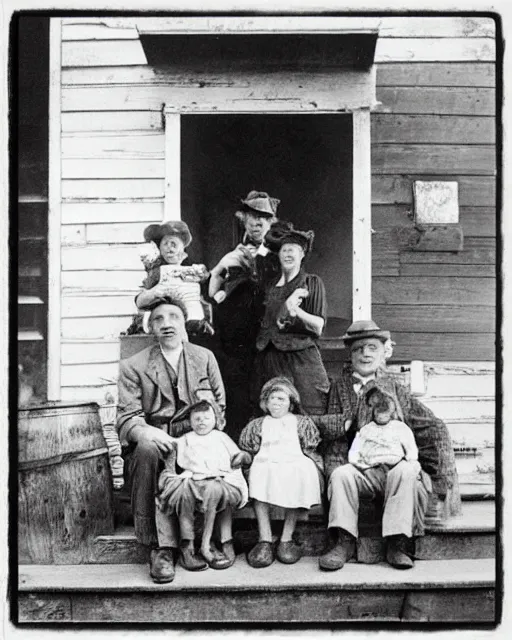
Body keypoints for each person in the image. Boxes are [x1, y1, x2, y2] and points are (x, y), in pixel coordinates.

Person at [314, 319, 461, 572]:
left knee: (406, 471)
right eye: (358, 349)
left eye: (372, 347)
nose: (365, 354)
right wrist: (346, 423)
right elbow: (326, 429)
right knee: (340, 476)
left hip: (393, 466)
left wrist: (439, 477)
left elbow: (430, 425)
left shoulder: (396, 388)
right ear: (351, 355)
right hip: (359, 465)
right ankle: (344, 541)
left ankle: (398, 543)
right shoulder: (339, 388)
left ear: (383, 352)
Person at [116, 294, 226, 584]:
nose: (167, 324)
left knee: (208, 453)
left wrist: (198, 434)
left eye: (174, 317)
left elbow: (220, 408)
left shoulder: (204, 358)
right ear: (150, 328)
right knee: (149, 449)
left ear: (184, 322)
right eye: (159, 319)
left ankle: (199, 543)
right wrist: (147, 431)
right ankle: (160, 548)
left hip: (196, 436)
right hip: (156, 442)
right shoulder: (133, 365)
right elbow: (126, 418)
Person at [207, 191, 284, 440]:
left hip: (266, 336)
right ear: (244, 219)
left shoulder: (280, 254)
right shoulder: (235, 253)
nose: (258, 222)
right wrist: (221, 270)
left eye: (264, 217)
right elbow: (213, 289)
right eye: (253, 216)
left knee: (264, 393)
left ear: (271, 222)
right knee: (236, 391)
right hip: (236, 339)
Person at [155, 399, 250, 578]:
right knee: (183, 492)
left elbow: (237, 455)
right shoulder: (186, 439)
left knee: (213, 490)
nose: (202, 422)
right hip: (194, 478)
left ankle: (207, 544)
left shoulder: (220, 437)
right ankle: (187, 545)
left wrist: (243, 457)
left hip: (220, 479)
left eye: (206, 418)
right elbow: (172, 449)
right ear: (189, 422)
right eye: (197, 419)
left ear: (215, 419)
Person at [239, 377, 323, 568]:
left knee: (300, 470)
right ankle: (265, 538)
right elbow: (249, 449)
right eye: (272, 399)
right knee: (259, 471)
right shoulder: (258, 424)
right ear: (265, 403)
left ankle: (286, 537)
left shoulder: (300, 422)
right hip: (266, 460)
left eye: (281, 399)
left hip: (293, 460)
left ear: (291, 403)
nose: (276, 403)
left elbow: (309, 447)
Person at [252, 226, 330, 416]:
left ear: (302, 254)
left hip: (301, 359)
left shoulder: (311, 282)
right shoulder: (269, 286)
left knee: (309, 411)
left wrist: (294, 309)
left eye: (292, 250)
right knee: (271, 413)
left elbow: (318, 326)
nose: (287, 254)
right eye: (283, 250)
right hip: (269, 357)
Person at [126, 220, 213, 338]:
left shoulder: (195, 271)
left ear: (183, 250)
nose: (169, 248)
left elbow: (209, 295)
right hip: (167, 327)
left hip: (195, 326)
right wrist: (155, 292)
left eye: (174, 244)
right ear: (160, 248)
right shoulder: (157, 272)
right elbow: (139, 302)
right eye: (165, 244)